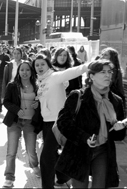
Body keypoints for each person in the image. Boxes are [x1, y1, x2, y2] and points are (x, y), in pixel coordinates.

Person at [55, 60, 126, 188]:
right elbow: (63, 122)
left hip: (103, 151)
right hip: (79, 151)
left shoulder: (116, 101)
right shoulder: (78, 96)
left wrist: (119, 128)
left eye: (109, 72)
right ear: (91, 76)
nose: (107, 75)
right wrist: (84, 137)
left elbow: (119, 136)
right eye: (102, 72)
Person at [33, 54, 89, 188]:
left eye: (42, 64)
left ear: (48, 65)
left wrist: (90, 65)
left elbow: (73, 72)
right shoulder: (41, 81)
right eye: (37, 65)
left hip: (57, 122)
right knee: (53, 155)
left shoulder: (54, 77)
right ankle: (64, 176)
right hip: (47, 123)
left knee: (46, 158)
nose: (39, 67)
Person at [2, 62, 42, 187]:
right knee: (11, 151)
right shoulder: (12, 86)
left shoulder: (37, 86)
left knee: (31, 151)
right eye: (22, 70)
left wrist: (38, 105)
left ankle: (34, 166)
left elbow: (43, 101)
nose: (25, 72)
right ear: (18, 72)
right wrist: (16, 110)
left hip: (30, 122)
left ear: (31, 72)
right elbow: (6, 102)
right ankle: (9, 177)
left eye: (28, 70)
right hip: (15, 122)